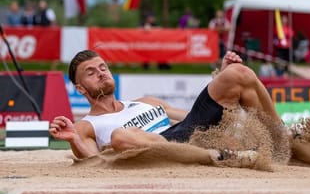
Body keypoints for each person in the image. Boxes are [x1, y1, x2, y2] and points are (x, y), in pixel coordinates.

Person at [49, 50, 281, 159]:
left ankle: (283, 141)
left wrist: (221, 76)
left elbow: (192, 118)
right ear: (80, 89)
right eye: (91, 72)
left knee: (237, 73)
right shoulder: (86, 125)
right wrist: (74, 139)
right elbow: (94, 162)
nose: (100, 74)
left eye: (103, 68)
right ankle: (217, 155)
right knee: (120, 136)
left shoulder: (146, 102)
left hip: (187, 134)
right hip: (158, 152)